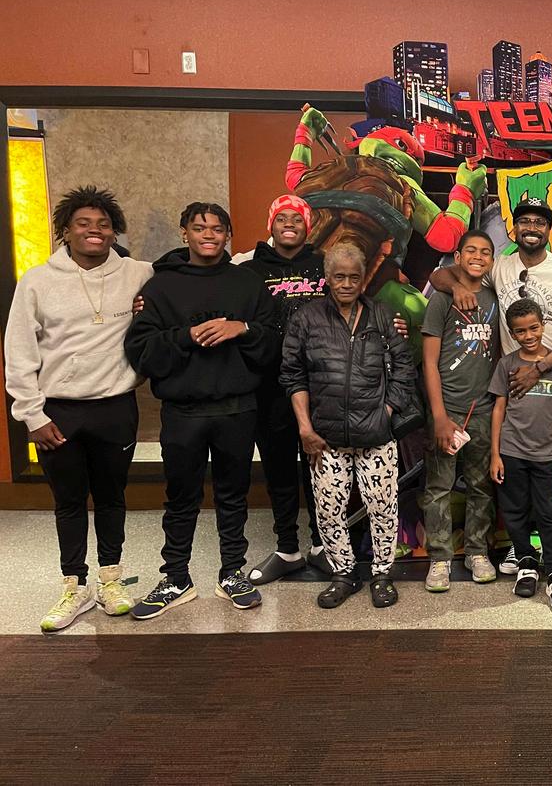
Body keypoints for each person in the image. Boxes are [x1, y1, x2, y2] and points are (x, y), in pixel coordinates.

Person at [4, 187, 151, 632]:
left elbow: (191, 273)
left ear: (114, 232)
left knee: (111, 497)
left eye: (104, 224)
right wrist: (32, 415)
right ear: (65, 231)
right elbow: (18, 352)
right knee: (68, 501)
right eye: (84, 223)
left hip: (115, 408)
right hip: (58, 412)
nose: (95, 231)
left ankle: (111, 579)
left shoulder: (137, 273)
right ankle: (74, 585)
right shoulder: (37, 281)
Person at [124, 203, 278, 619]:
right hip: (183, 410)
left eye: (216, 228)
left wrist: (241, 328)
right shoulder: (161, 286)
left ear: (228, 234)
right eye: (199, 227)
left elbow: (273, 343)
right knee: (181, 498)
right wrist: (187, 335)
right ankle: (176, 578)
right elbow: (141, 351)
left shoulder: (247, 283)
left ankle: (232, 573)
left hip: (237, 407)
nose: (208, 234)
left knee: (233, 495)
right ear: (184, 233)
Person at [431, 197, 552, 574]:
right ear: (514, 229)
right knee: (511, 472)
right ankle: (520, 548)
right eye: (525, 221)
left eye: (540, 222)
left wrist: (541, 368)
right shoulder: (500, 266)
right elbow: (440, 277)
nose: (532, 227)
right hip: (510, 388)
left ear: (549, 229)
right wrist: (456, 288)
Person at [279, 243, 421, 609]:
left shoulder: (383, 316)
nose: (346, 284)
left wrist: (386, 412)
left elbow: (404, 369)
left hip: (376, 435)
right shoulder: (306, 318)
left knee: (383, 508)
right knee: (328, 510)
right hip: (324, 438)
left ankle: (382, 575)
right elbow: (293, 375)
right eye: (339, 276)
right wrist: (305, 429)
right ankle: (343, 574)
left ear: (363, 279)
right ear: (327, 278)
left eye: (354, 277)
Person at [242, 194, 329, 585]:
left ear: (307, 226)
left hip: (321, 387)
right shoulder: (249, 269)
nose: (289, 223)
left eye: (297, 218)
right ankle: (288, 549)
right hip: (269, 387)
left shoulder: (324, 265)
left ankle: (324, 546)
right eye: (282, 218)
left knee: (320, 468)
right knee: (278, 469)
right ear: (271, 225)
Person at [420, 230, 501, 593]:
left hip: (483, 409)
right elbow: (429, 362)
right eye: (470, 250)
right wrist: (439, 415)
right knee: (439, 486)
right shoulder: (441, 299)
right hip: (448, 409)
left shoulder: (495, 299)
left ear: (492, 261)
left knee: (480, 485)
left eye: (485, 252)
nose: (478, 257)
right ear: (457, 256)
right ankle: (439, 557)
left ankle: (477, 551)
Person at [489, 299, 552, 613]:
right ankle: (527, 560)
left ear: (543, 325)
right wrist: (495, 454)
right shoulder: (507, 365)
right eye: (520, 331)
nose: (528, 335)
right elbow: (498, 409)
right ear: (511, 333)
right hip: (511, 451)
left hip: (546, 455)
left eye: (533, 328)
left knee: (549, 512)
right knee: (514, 511)